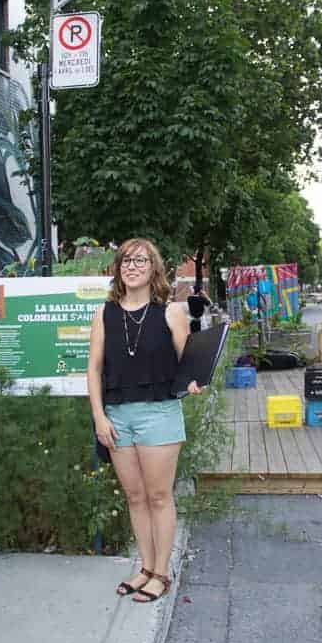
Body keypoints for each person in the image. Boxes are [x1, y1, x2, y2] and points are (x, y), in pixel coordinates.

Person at [87, 238, 201, 604]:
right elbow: (93, 369)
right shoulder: (104, 314)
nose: (131, 266)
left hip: (159, 414)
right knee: (135, 497)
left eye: (140, 260)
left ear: (154, 268)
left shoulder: (171, 313)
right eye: (125, 261)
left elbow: (189, 365)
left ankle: (162, 573)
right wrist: (99, 418)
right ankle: (146, 567)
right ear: (118, 269)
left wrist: (195, 381)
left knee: (158, 496)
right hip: (118, 416)